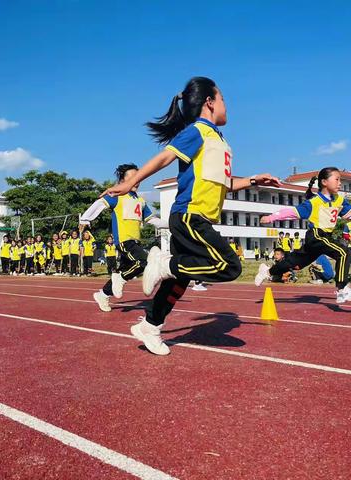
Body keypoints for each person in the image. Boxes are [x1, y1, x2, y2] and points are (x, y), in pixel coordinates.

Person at [101, 77, 280, 354]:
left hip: (198, 218)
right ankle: (165, 264)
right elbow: (165, 157)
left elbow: (225, 182)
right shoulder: (198, 131)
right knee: (228, 266)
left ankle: (150, 326)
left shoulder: (218, 140)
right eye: (223, 99)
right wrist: (128, 183)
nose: (226, 106)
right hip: (189, 215)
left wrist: (254, 180)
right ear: (209, 102)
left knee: (178, 283)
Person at [80, 163, 167, 312]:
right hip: (123, 240)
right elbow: (100, 203)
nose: (136, 181)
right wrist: (85, 219)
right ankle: (119, 278)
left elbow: (152, 220)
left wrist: (173, 224)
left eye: (138, 177)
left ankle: (103, 294)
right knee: (143, 262)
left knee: (125, 270)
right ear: (122, 180)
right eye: (132, 177)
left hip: (135, 240)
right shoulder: (117, 195)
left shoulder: (141, 201)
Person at [256, 167, 351, 303]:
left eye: (340, 180)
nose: (340, 183)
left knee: (295, 264)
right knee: (343, 252)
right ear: (324, 182)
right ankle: (341, 290)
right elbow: (292, 212)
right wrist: (271, 217)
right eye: (337, 179)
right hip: (316, 235)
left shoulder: (339, 200)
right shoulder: (314, 203)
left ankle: (268, 271)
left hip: (326, 238)